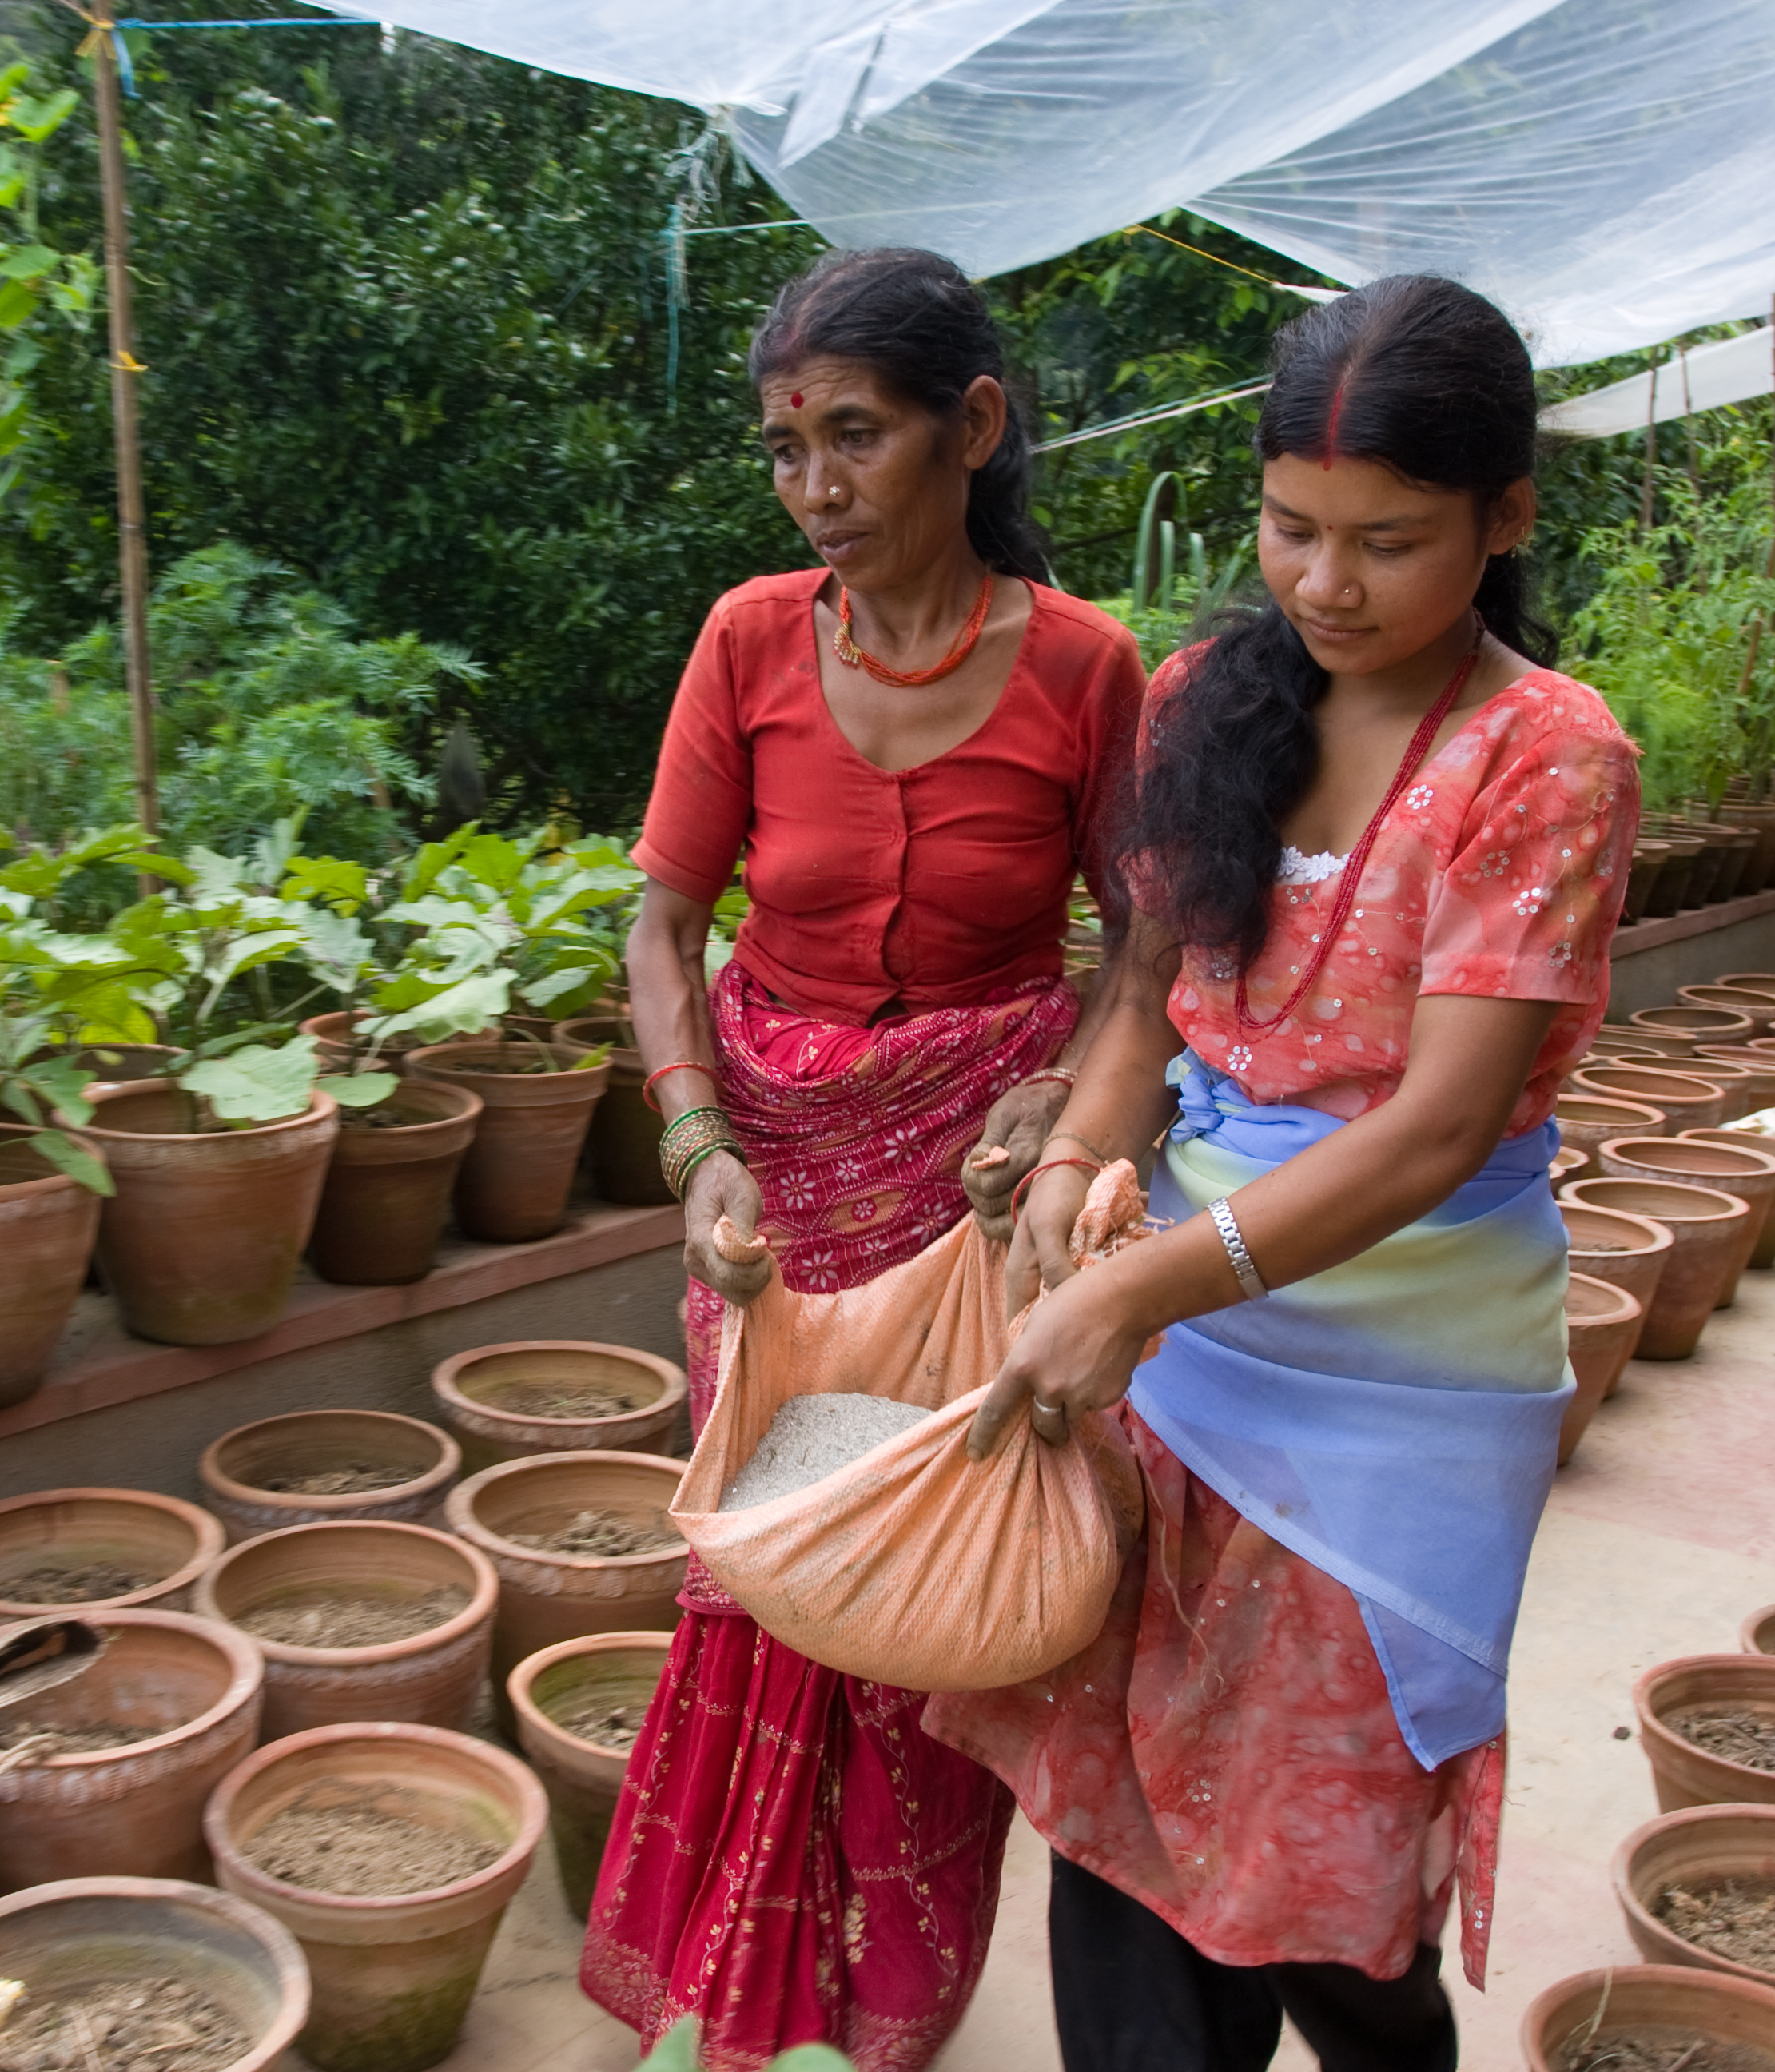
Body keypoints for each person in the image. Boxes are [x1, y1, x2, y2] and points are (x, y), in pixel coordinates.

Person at [923, 273, 1640, 2071]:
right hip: (1184, 1340)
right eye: (1292, 529)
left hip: (1401, 1381)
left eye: (1390, 543)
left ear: (1508, 517)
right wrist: (1086, 1156)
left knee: (1315, 1840)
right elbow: (1150, 1000)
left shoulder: (1546, 758)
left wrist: (1148, 1278)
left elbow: (1439, 1126)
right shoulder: (1205, 702)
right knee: (1137, 1797)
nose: (1326, 585)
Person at [585, 245, 1148, 2072]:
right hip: (768, 1203)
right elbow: (663, 926)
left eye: (857, 437)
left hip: (968, 1217)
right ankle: (739, 2001)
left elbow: (1143, 954)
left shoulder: (1085, 669)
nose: (817, 488)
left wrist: (1053, 1105)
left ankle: (884, 2013)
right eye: (785, 448)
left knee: (929, 1593)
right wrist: (694, 1148)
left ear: (971, 428)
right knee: (768, 1568)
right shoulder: (749, 639)